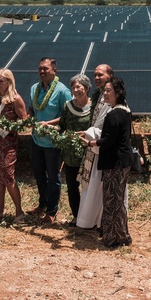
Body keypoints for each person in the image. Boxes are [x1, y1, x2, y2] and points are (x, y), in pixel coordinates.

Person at [87, 75, 133, 248]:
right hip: (122, 162)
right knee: (118, 200)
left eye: (108, 91)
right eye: (104, 91)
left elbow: (108, 141)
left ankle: (112, 238)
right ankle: (122, 235)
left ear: (118, 92)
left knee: (111, 200)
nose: (105, 94)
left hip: (115, 163)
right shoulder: (125, 110)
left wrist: (91, 143)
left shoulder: (114, 115)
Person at [28, 56, 72, 224]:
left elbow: (66, 116)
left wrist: (47, 123)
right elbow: (32, 108)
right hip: (36, 139)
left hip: (52, 142)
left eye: (46, 69)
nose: (42, 71)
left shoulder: (62, 91)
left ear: (54, 70)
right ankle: (42, 204)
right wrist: (30, 118)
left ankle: (52, 210)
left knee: (53, 177)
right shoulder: (34, 88)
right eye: (40, 68)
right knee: (39, 175)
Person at [0, 68, 27, 222]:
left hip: (7, 143)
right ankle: (0, 211)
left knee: (8, 177)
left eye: (2, 80)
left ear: (9, 82)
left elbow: (23, 121)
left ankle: (19, 212)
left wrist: (5, 126)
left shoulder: (15, 99)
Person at [76, 63, 114, 230]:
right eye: (95, 75)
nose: (97, 78)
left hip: (102, 147)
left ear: (109, 76)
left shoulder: (110, 98)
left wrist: (90, 135)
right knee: (91, 188)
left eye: (101, 75)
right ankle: (89, 220)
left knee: (99, 188)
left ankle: (100, 221)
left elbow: (106, 124)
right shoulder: (98, 95)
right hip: (93, 145)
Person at [60, 73, 93, 225]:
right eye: (73, 87)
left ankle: (89, 217)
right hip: (72, 154)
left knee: (89, 186)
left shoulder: (94, 107)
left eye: (79, 86)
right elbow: (62, 126)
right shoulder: (68, 107)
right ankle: (77, 216)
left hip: (90, 153)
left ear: (86, 88)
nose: (76, 90)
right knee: (73, 187)